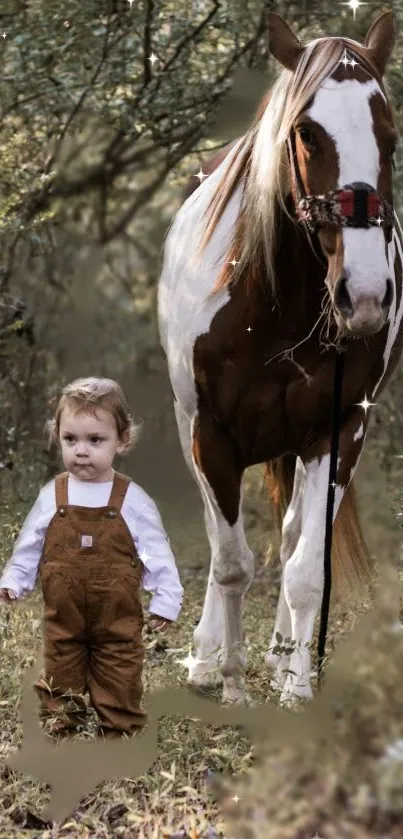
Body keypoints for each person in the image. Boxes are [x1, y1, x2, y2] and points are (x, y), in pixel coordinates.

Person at [0, 377, 184, 739]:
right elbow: (30, 544)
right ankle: (62, 730)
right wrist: (13, 580)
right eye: (71, 439)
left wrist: (167, 597)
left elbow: (157, 551)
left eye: (95, 440)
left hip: (116, 621)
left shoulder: (133, 498)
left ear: (123, 439)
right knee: (59, 677)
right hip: (63, 619)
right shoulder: (53, 494)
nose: (81, 451)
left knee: (120, 677)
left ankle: (117, 735)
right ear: (58, 437)